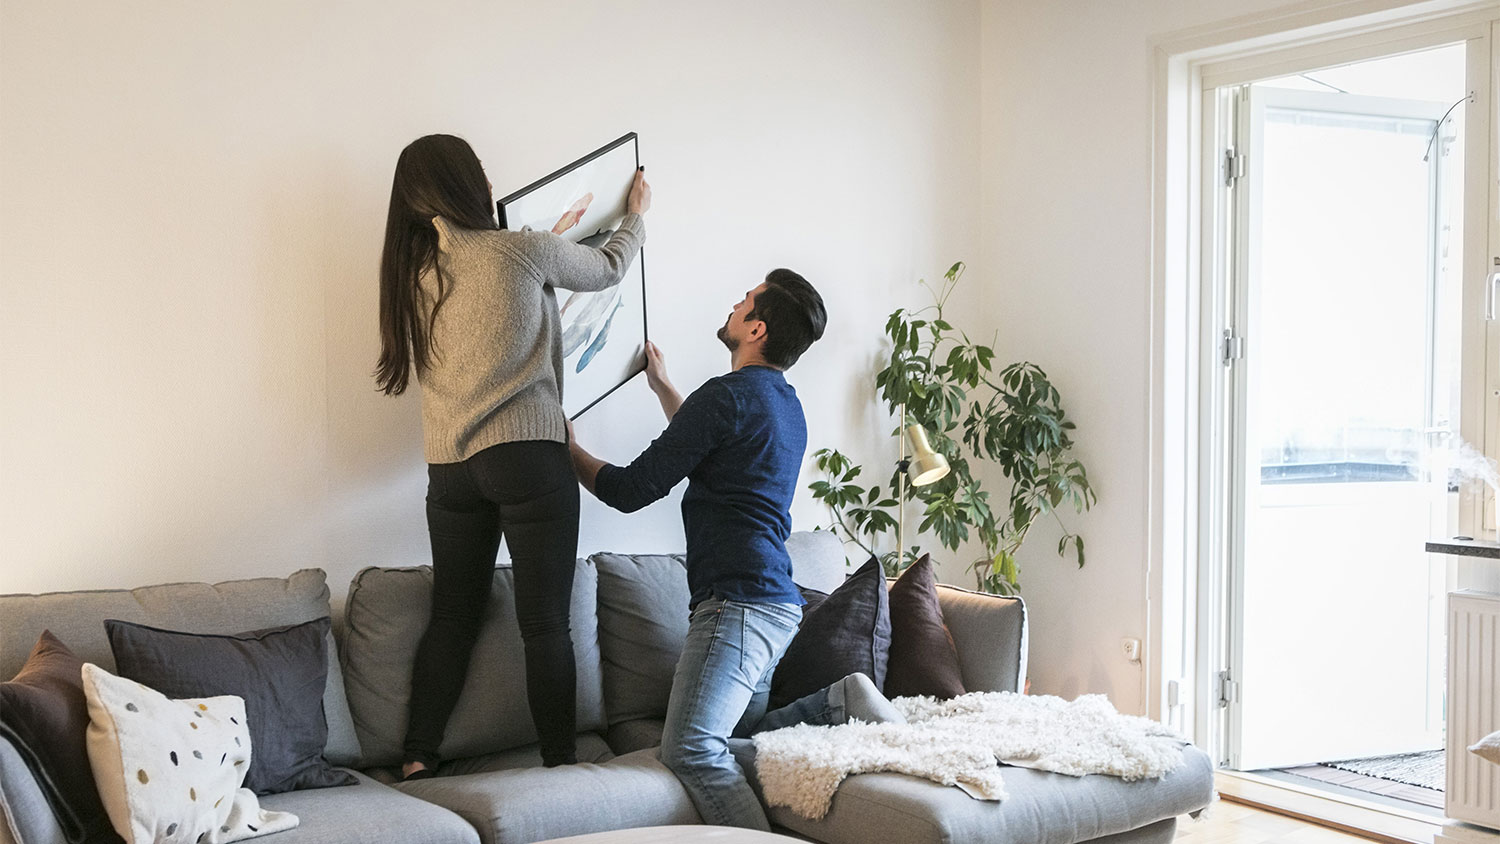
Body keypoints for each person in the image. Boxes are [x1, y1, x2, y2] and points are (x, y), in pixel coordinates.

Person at [567, 270, 902, 830]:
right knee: (740, 741)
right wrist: (662, 387)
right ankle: (839, 704)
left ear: (756, 328)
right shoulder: (785, 406)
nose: (733, 305)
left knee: (691, 750)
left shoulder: (724, 398)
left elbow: (628, 491)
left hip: (737, 606)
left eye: (743, 302)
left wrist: (567, 450)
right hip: (775, 605)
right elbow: (709, 446)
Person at [375, 133, 651, 780]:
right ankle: (560, 764)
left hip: (449, 469)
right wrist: (635, 213)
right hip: (526, 456)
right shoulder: (517, 251)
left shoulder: (413, 280)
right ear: (470, 185)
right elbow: (607, 267)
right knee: (545, 625)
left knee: (452, 616)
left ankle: (418, 755)